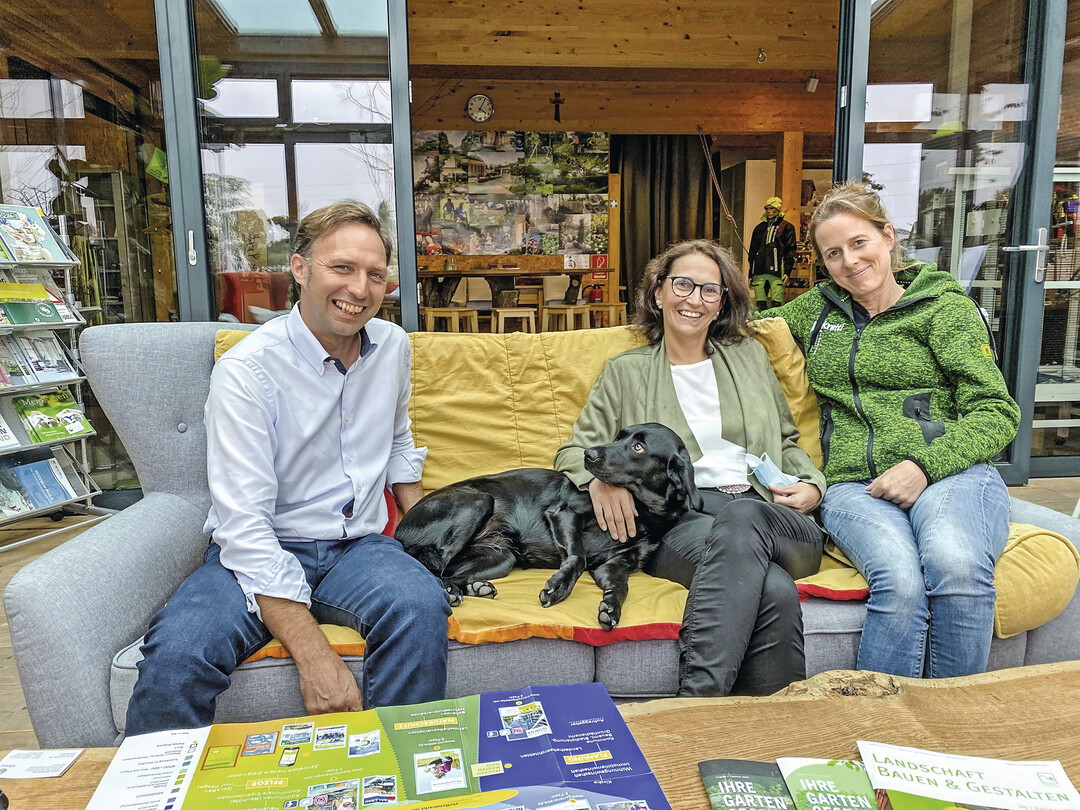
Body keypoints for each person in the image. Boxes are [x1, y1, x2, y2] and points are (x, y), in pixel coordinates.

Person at [125, 200, 451, 736]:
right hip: (263, 546)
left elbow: (398, 444)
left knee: (420, 605)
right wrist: (313, 655)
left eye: (374, 274)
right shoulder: (247, 373)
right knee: (178, 652)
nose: (360, 289)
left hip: (358, 547)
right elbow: (246, 528)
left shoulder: (392, 346)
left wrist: (424, 533)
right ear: (299, 269)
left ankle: (400, 778)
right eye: (341, 268)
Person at [761, 180, 1020, 679]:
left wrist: (923, 467)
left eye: (859, 243)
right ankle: (877, 733)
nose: (850, 262)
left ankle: (949, 733)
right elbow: (748, 326)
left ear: (887, 237)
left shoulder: (944, 307)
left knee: (956, 567)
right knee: (899, 581)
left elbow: (996, 411)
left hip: (950, 471)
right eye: (832, 253)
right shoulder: (817, 310)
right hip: (853, 482)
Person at [554, 239, 826, 697]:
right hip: (686, 520)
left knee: (743, 516)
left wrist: (812, 486)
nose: (694, 299)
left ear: (722, 304)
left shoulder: (750, 357)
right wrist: (599, 482)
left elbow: (786, 441)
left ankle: (694, 704)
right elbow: (574, 450)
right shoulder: (626, 371)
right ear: (658, 292)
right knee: (774, 591)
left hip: (767, 511)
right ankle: (776, 727)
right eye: (683, 284)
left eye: (709, 290)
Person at [748, 196, 797, 310]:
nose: (769, 211)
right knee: (760, 304)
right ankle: (759, 325)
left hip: (777, 271)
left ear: (778, 210)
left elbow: (790, 249)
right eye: (767, 208)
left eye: (772, 208)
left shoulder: (787, 228)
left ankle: (776, 326)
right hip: (759, 271)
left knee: (777, 303)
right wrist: (751, 274)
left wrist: (788, 271)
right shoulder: (758, 229)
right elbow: (752, 251)